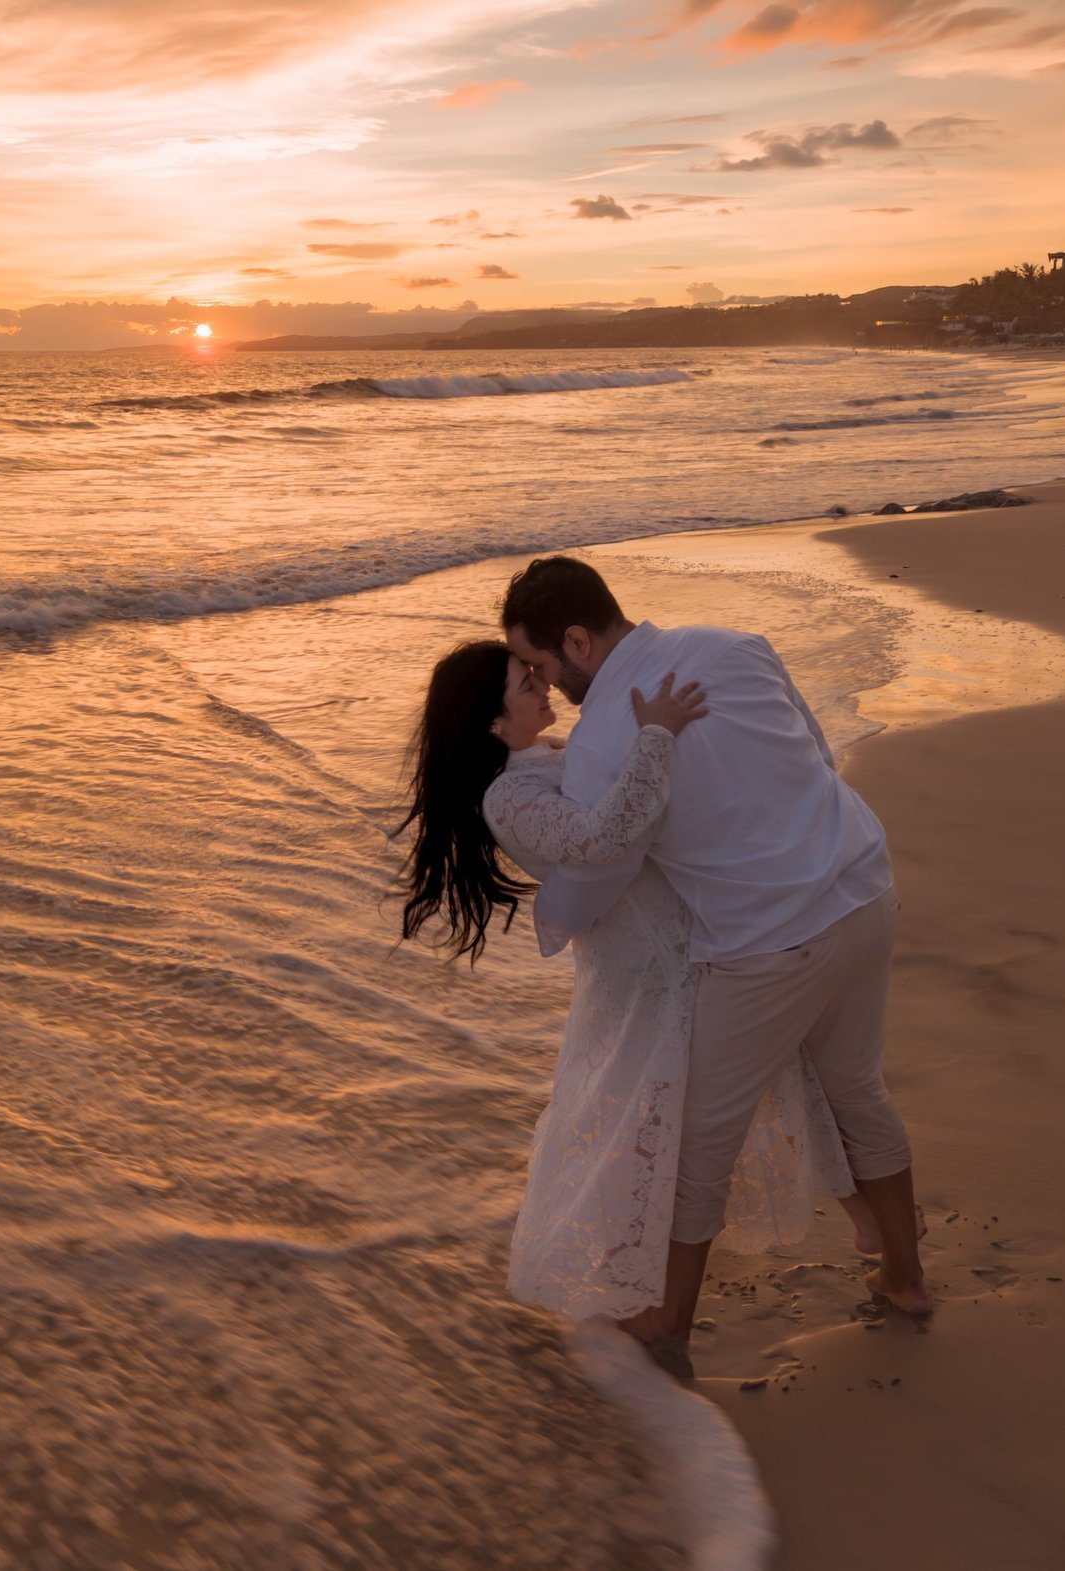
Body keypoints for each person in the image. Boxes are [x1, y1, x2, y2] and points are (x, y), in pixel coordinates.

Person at [398, 639, 869, 1368]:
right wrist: (656, 733)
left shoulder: (549, 758)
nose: (543, 685)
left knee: (753, 1087)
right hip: (641, 972)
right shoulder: (508, 796)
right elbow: (601, 837)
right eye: (526, 682)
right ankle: (644, 1305)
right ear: (493, 721)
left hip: (682, 947)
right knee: (647, 1125)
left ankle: (857, 1226)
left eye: (536, 671)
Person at [499, 556, 931, 1329]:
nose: (545, 683)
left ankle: (664, 1330)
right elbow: (816, 752)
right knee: (859, 1092)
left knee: (693, 1144)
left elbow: (604, 873)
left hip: (769, 945)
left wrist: (555, 914)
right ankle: (905, 1278)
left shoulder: (600, 744)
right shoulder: (734, 644)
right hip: (865, 888)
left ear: (577, 640)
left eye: (541, 663)